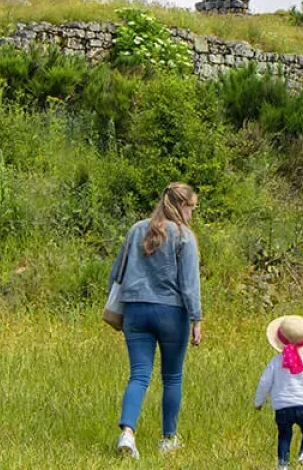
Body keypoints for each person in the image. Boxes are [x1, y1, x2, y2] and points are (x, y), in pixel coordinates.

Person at [111, 182, 203, 458]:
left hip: (135, 311)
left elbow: (117, 271)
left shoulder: (136, 230)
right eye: (191, 208)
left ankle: (127, 433)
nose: (191, 214)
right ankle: (168, 439)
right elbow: (189, 285)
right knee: (172, 377)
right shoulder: (184, 237)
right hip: (172, 313)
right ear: (181, 206)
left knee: (139, 374)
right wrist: (197, 318)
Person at [254, 314, 303, 469]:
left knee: (284, 435)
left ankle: (283, 464)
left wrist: (258, 402)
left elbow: (264, 382)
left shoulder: (276, 361)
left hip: (282, 406)